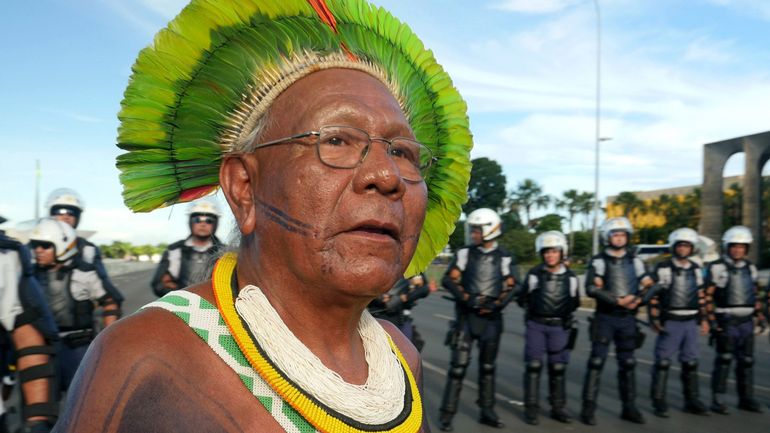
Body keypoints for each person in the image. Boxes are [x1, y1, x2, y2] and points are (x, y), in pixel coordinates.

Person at [54, 1, 472, 432]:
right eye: (336, 140)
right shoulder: (147, 355)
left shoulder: (400, 355)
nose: (387, 175)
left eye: (402, 151)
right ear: (244, 188)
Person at [438, 208, 518, 431]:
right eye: (472, 229)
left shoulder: (505, 257)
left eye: (476, 229)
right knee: (458, 367)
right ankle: (447, 413)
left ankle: (487, 411)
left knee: (488, 367)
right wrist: (467, 298)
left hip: (492, 321)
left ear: (490, 230)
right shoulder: (464, 254)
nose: (473, 234)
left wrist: (496, 304)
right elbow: (449, 280)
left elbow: (513, 286)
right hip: (466, 318)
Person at [28, 219, 120, 393]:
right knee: (41, 412)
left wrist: (108, 344)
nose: (38, 250)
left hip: (77, 349)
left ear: (63, 246)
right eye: (35, 245)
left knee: (85, 404)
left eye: (44, 246)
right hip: (43, 348)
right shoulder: (30, 276)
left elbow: (110, 303)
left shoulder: (84, 273)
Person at [580, 217, 654, 425]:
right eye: (615, 234)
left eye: (622, 235)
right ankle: (588, 409)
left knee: (628, 363)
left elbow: (650, 285)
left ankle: (629, 407)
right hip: (606, 317)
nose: (619, 238)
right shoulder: (599, 261)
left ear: (628, 237)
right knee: (596, 362)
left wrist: (638, 301)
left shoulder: (636, 261)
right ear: (608, 236)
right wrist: (617, 300)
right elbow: (592, 288)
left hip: (628, 319)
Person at [0, 217, 59, 432]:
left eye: (45, 246)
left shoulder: (5, 258)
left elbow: (29, 338)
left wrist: (38, 417)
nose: (39, 251)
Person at [518, 231, 579, 425]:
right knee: (534, 366)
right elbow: (522, 298)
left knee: (558, 368)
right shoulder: (534, 274)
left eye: (554, 251)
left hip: (559, 326)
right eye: (546, 252)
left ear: (562, 252)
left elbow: (574, 302)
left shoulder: (571, 278)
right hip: (537, 324)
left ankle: (558, 408)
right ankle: (532, 409)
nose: (550, 255)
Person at [704, 225, 766, 414]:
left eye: (741, 246)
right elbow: (707, 297)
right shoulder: (717, 267)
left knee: (746, 360)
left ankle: (746, 398)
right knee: (724, 359)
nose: (737, 250)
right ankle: (718, 399)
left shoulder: (751, 268)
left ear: (746, 248)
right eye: (734, 246)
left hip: (746, 321)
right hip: (727, 319)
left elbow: (754, 294)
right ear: (727, 247)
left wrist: (760, 316)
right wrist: (712, 321)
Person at [648, 227, 709, 417]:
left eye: (687, 246)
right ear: (674, 247)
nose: (683, 249)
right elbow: (654, 297)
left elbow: (701, 296)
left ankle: (691, 400)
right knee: (663, 362)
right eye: (680, 245)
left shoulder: (696, 269)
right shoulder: (663, 268)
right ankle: (659, 401)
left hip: (690, 321)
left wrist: (705, 319)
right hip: (671, 320)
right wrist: (655, 319)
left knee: (690, 362)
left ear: (692, 248)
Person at [46, 189, 124, 308]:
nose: (66, 216)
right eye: (60, 211)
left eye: (72, 212)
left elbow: (106, 290)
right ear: (51, 214)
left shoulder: (88, 249)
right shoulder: (33, 248)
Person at [150, 200, 223, 297]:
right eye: (197, 220)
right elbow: (158, 285)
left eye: (209, 220)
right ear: (190, 222)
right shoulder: (174, 250)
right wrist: (183, 297)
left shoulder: (224, 252)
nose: (203, 224)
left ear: (215, 224)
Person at [368, 274, 429, 351]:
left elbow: (425, 289)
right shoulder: (377, 267)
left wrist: (405, 297)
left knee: (408, 350)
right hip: (376, 316)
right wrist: (380, 297)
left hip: (399, 318)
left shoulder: (411, 270)